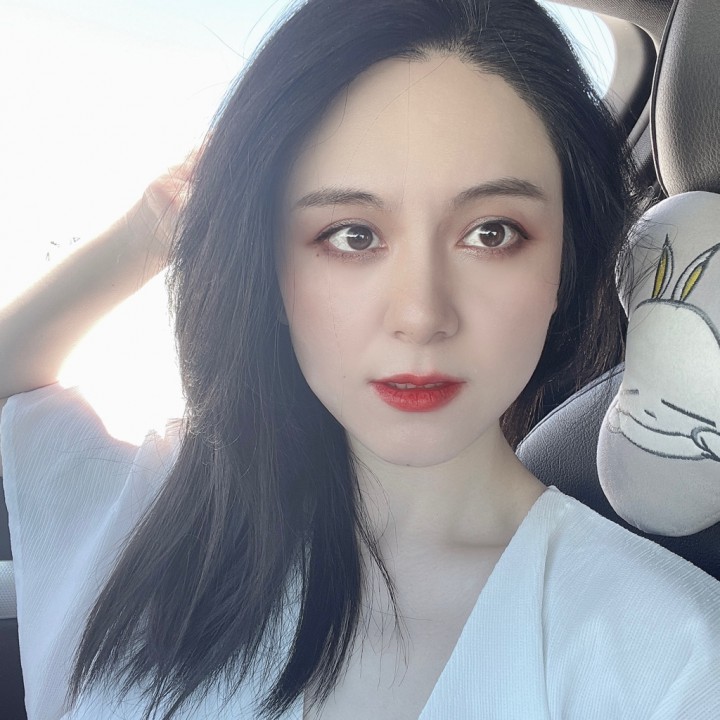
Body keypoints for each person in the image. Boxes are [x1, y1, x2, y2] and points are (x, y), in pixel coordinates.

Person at [1, 0, 719, 718]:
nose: (421, 316)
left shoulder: (669, 654)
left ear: (565, 262)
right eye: (352, 235)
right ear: (270, 272)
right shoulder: (161, 515)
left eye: (493, 233)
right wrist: (150, 229)